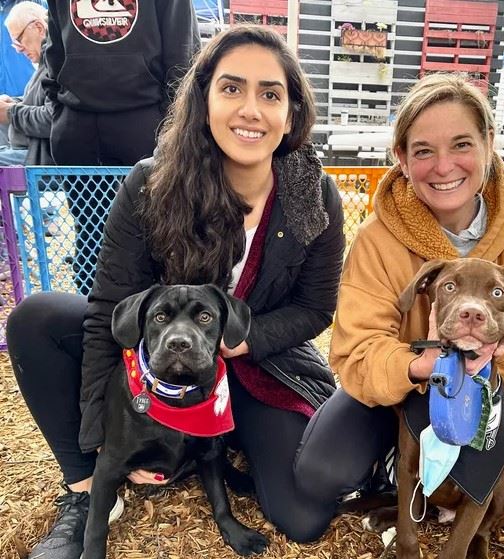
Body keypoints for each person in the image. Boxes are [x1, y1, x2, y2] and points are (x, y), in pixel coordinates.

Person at [7, 26, 345, 559]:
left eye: (271, 94)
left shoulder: (313, 192)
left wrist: (245, 339)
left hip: (255, 361)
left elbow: (315, 306)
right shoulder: (153, 181)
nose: (250, 110)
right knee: (38, 318)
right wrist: (100, 437)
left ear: (292, 112)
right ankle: (85, 491)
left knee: (301, 517)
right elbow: (106, 309)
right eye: (231, 88)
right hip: (159, 350)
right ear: (203, 98)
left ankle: (211, 443)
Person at [311, 73, 504, 548]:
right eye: (422, 151)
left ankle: (503, 473)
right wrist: (424, 364)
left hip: (495, 389)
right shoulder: (377, 238)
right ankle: (407, 474)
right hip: (408, 389)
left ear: (488, 145)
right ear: (401, 158)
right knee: (320, 475)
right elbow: (357, 350)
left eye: (461, 144)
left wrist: (501, 353)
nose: (443, 167)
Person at [43, 0, 200, 166]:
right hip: (75, 125)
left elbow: (182, 55)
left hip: (145, 121)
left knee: (152, 191)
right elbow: (54, 50)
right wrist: (60, 112)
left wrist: (169, 122)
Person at [0, 1, 54, 166]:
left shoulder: (57, 66)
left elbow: (54, 119)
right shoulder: (45, 64)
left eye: (18, 40)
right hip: (28, 150)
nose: (18, 49)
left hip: (40, 158)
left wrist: (11, 112)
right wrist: (15, 103)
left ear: (38, 27)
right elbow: (42, 100)